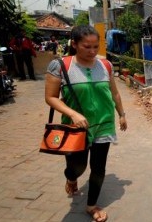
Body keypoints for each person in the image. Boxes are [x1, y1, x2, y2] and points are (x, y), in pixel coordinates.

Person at [45, 25, 128, 222]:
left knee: (98, 168)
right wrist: (72, 113)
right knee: (77, 167)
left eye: (95, 47)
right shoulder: (61, 66)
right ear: (74, 44)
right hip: (76, 128)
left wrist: (122, 114)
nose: (92, 52)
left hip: (103, 123)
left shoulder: (105, 65)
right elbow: (50, 97)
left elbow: (114, 92)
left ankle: (91, 205)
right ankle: (71, 177)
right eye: (86, 47)